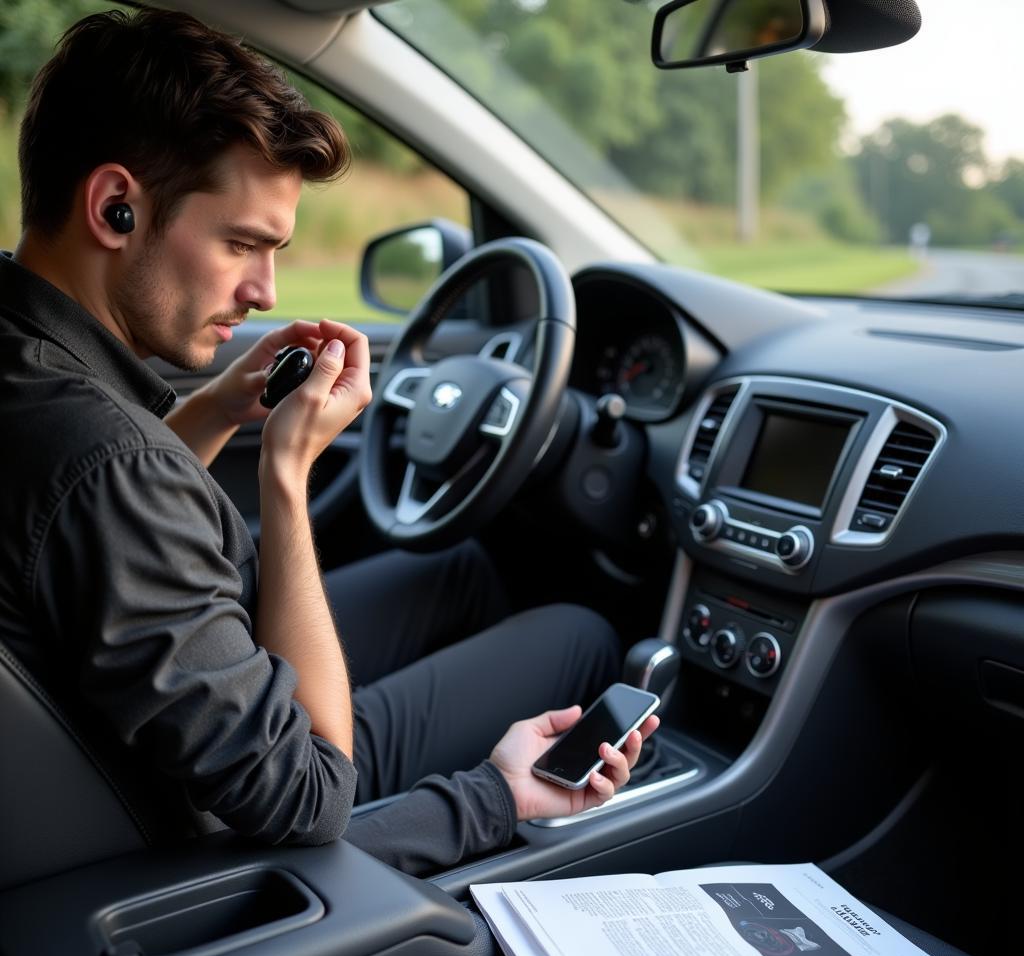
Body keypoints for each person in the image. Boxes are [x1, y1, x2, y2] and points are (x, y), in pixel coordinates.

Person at [0, 7, 657, 877]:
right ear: (116, 206)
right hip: (209, 844)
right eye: (242, 244)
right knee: (573, 635)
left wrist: (224, 407)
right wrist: (285, 468)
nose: (265, 292)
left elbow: (80, 514)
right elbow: (314, 796)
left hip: (143, 731)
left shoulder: (34, 376)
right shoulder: (118, 470)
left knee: (458, 574)